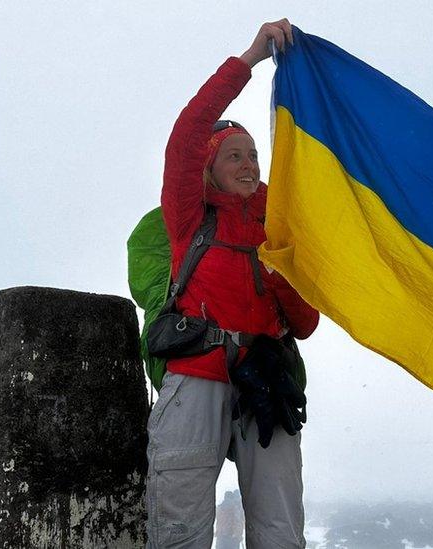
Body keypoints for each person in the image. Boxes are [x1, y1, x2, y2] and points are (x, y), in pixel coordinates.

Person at [146, 19, 319, 549]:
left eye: (253, 156)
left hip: (266, 384)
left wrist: (279, 265)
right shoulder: (189, 215)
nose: (248, 165)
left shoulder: (279, 225)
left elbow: (307, 324)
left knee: (280, 532)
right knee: (180, 529)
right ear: (211, 169)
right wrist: (249, 58)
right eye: (234, 156)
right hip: (196, 375)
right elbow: (187, 132)